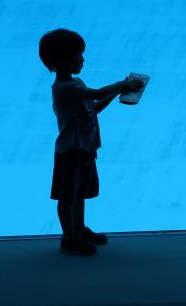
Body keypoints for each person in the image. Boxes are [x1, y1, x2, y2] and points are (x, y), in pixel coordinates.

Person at [38, 28, 144, 255]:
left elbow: (93, 108)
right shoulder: (66, 88)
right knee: (68, 196)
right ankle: (69, 238)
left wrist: (117, 92)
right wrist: (120, 85)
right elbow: (97, 94)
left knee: (79, 193)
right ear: (60, 60)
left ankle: (78, 229)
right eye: (77, 55)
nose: (82, 59)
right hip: (70, 152)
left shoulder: (76, 84)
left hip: (84, 149)